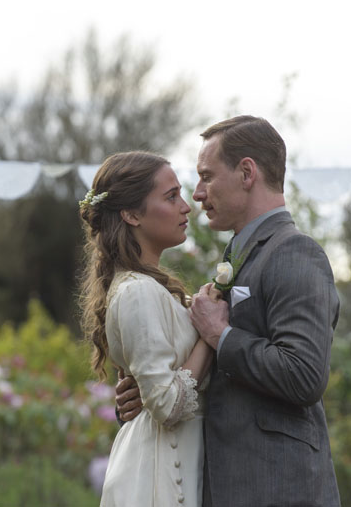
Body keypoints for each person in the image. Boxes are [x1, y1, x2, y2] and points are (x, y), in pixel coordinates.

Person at [116, 116, 341, 506]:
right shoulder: (238, 257)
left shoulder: (295, 252)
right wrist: (152, 391)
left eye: (206, 176)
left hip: (278, 492)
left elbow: (304, 375)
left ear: (247, 172)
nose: (198, 194)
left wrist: (222, 336)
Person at [78, 150, 213, 507]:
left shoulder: (152, 289)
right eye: (171, 197)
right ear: (132, 214)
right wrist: (211, 337)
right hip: (158, 475)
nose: (186, 207)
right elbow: (167, 404)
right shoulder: (137, 292)